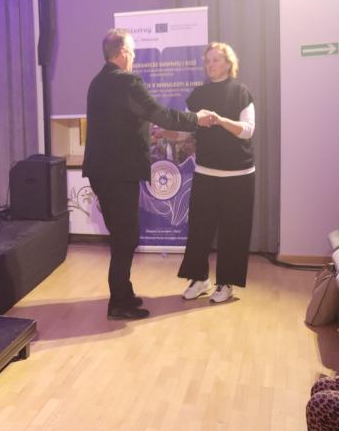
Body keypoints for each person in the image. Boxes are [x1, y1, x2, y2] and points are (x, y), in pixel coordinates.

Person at [82, 29, 214, 320]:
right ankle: (118, 303)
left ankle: (124, 292)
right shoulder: (128, 81)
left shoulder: (98, 82)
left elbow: (117, 122)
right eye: (132, 51)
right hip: (119, 174)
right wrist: (197, 119)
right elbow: (161, 114)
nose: (134, 56)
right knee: (125, 238)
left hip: (102, 172)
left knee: (122, 235)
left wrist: (144, 133)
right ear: (123, 52)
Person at [179, 42, 255, 303]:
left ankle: (226, 284)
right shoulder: (198, 94)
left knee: (233, 231)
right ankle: (199, 279)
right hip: (206, 172)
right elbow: (187, 127)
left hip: (239, 175)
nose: (210, 65)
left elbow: (248, 130)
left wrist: (221, 121)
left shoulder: (241, 92)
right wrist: (169, 132)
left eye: (216, 60)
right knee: (199, 229)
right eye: (208, 60)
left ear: (228, 63)